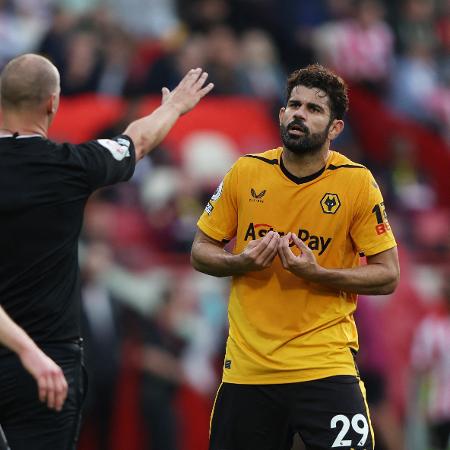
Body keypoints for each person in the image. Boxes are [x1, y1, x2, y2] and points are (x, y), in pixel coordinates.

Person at [0, 53, 213, 450]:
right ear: (53, 103)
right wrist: (174, 107)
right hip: (48, 362)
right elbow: (138, 141)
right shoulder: (71, 167)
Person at [191, 64, 400, 450]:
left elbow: (388, 275)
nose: (300, 114)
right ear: (282, 114)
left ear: (335, 128)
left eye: (314, 109)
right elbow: (200, 250)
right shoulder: (245, 172)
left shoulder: (356, 183)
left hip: (325, 366)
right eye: (294, 105)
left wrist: (318, 273)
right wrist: (240, 262)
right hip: (249, 372)